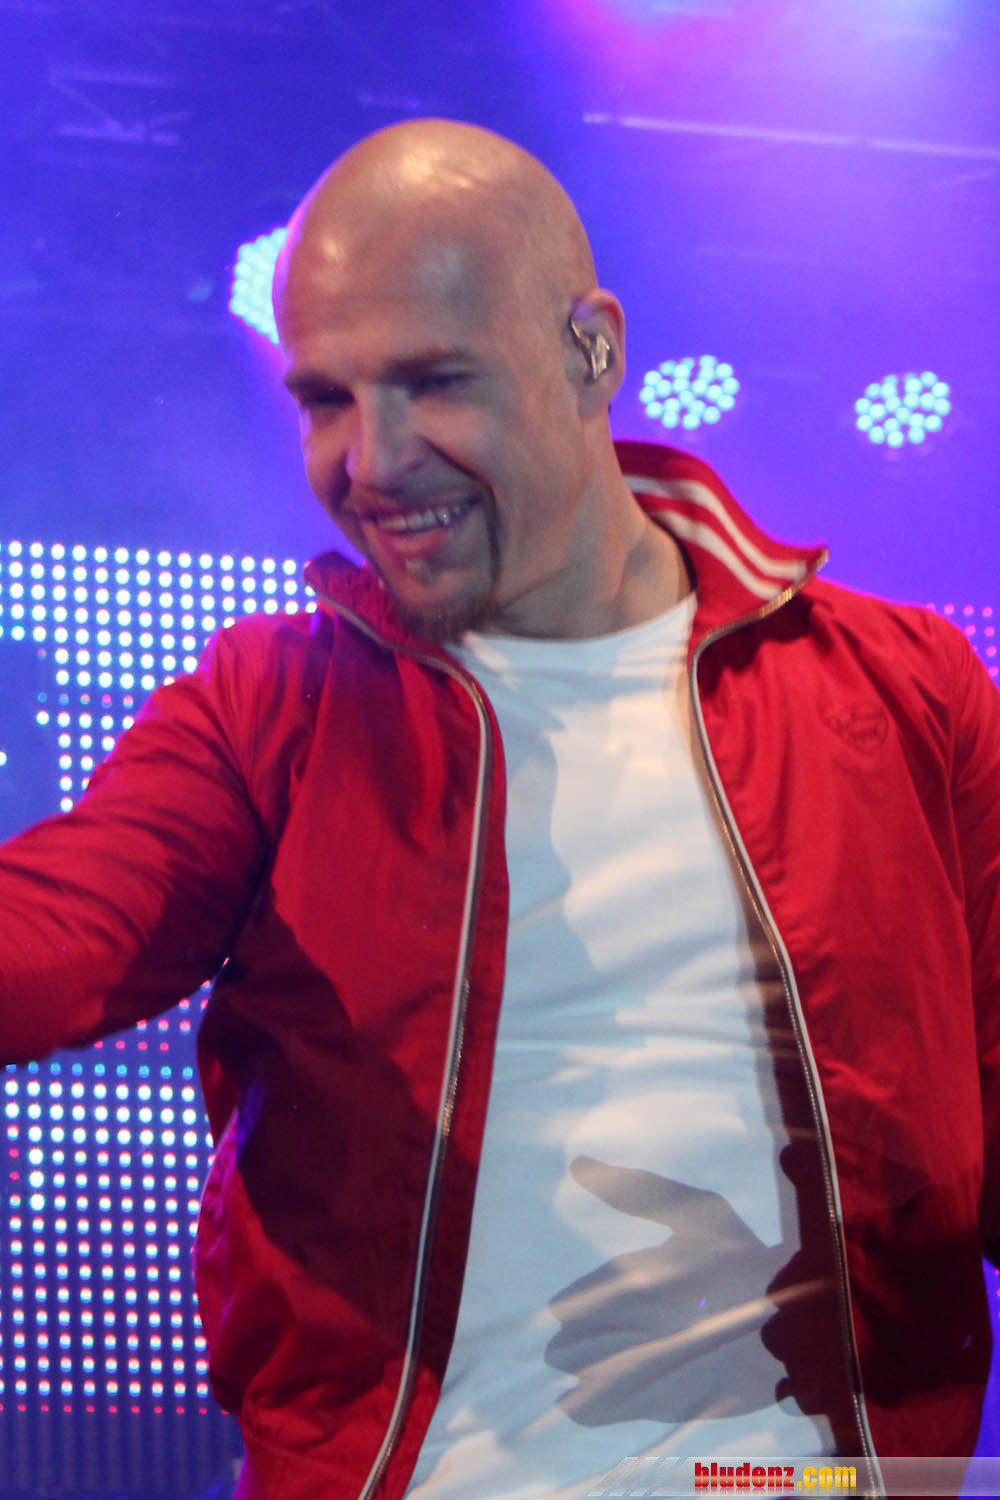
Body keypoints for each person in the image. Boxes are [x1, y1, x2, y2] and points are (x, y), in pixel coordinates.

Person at [0, 117, 998, 1500]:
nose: (372, 459)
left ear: (592, 350)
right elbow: (52, 935)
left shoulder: (898, 688)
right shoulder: (273, 708)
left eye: (433, 382)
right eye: (326, 399)